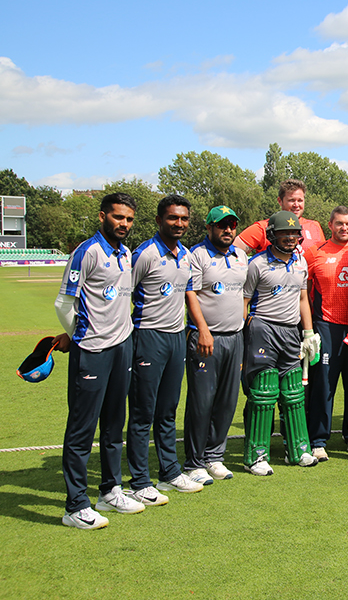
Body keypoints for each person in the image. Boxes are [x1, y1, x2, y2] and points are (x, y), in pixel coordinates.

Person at [55, 192, 143, 529]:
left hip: (121, 348)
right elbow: (64, 304)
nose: (124, 224)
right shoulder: (87, 252)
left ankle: (110, 490)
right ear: (102, 215)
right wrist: (79, 336)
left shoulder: (126, 254)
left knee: (112, 424)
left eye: (129, 219)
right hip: (92, 351)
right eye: (118, 217)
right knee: (81, 429)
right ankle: (76, 505)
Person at [126, 194, 204, 501]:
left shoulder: (185, 255)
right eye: (173, 218)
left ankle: (170, 473)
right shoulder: (144, 254)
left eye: (184, 218)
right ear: (159, 220)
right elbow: (123, 294)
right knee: (143, 412)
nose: (179, 224)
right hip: (147, 336)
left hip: (176, 337)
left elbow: (188, 295)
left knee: (168, 409)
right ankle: (139, 481)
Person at [241, 210, 321, 475]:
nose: (290, 238)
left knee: (294, 392)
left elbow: (302, 300)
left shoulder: (301, 263)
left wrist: (308, 333)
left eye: (294, 233)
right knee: (264, 392)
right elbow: (244, 302)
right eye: (284, 233)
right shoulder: (257, 264)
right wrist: (243, 336)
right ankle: (256, 455)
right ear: (272, 235)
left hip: (290, 331)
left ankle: (298, 450)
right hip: (263, 329)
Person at [182, 205, 249, 485]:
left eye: (232, 225)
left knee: (226, 401)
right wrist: (203, 330)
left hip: (235, 337)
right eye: (222, 225)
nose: (228, 230)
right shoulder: (197, 255)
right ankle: (194, 462)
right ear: (209, 227)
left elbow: (244, 295)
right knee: (201, 402)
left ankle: (214, 456)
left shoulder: (241, 255)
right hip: (206, 339)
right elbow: (191, 294)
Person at [304, 206, 348, 460]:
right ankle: (318, 439)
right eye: (340, 223)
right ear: (330, 224)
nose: (344, 228)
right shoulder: (314, 253)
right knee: (324, 384)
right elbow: (305, 293)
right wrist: (308, 328)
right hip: (326, 326)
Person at [234, 179, 325, 255]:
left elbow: (322, 258)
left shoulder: (315, 226)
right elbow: (231, 253)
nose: (296, 205)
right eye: (291, 200)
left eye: (300, 200)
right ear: (280, 201)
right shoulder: (263, 227)